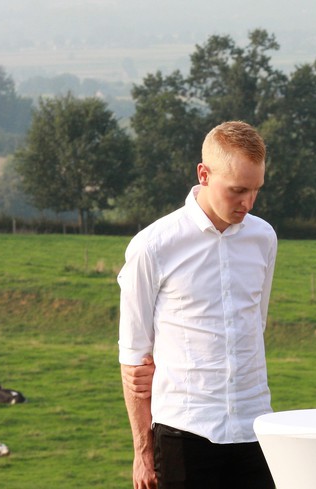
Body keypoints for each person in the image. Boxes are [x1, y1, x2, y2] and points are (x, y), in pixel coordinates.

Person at [118, 121, 277, 489]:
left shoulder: (264, 237)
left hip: (255, 428)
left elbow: (257, 324)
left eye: (256, 190)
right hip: (184, 431)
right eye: (237, 190)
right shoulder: (152, 246)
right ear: (203, 174)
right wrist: (142, 452)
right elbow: (134, 358)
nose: (248, 203)